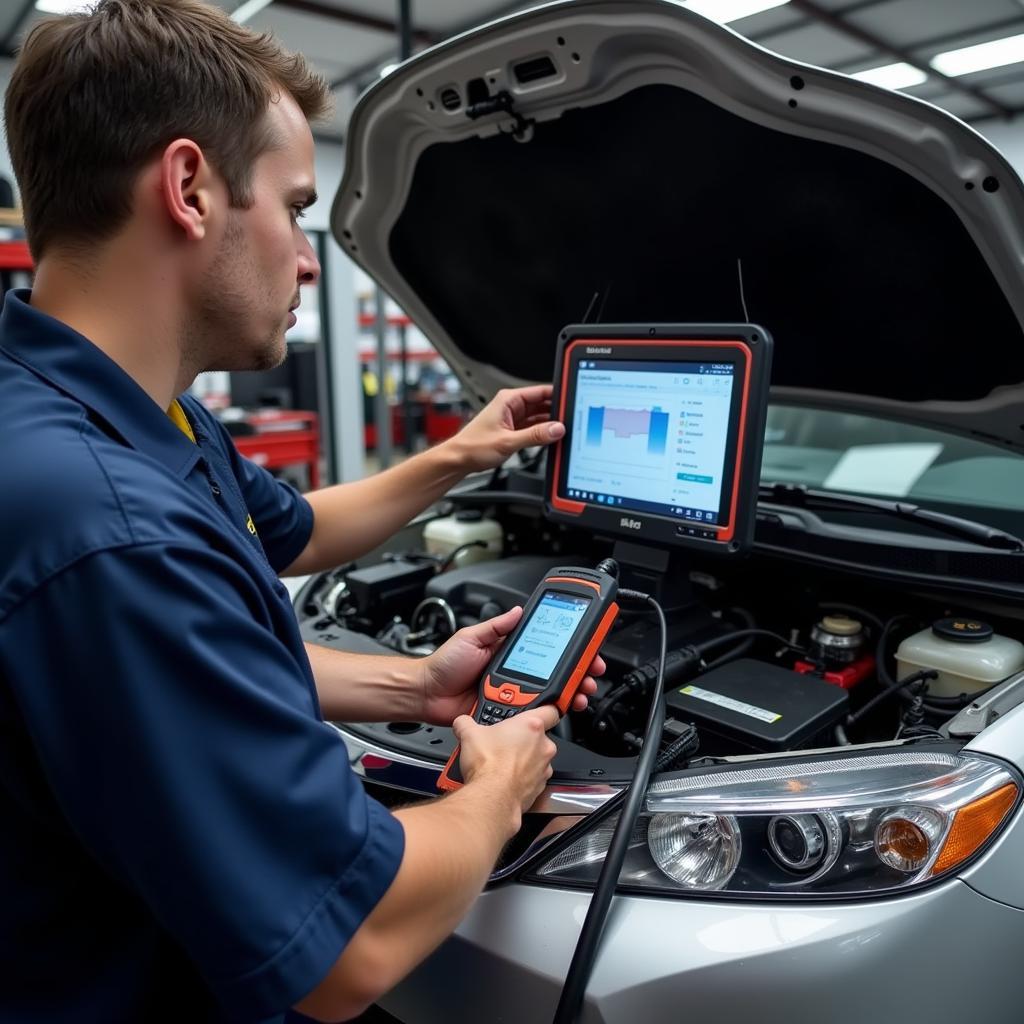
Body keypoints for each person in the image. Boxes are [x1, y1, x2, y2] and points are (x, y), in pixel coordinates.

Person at [0, 2, 603, 1021]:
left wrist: (417, 683)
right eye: (293, 206)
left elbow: (290, 541)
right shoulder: (107, 527)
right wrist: (499, 783)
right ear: (190, 189)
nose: (311, 257)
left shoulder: (125, 414)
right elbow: (348, 945)